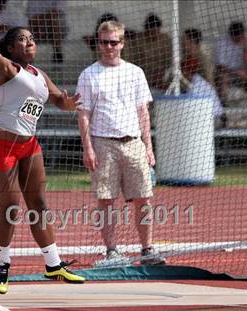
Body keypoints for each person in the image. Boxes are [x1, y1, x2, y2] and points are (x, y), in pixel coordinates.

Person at [0, 19, 85, 294]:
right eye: (22, 39)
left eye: (31, 38)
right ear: (10, 48)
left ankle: (53, 265)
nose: (29, 42)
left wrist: (67, 103)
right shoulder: (7, 69)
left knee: (38, 204)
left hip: (28, 146)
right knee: (11, 208)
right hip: (1, 146)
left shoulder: (39, 75)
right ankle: (2, 264)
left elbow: (58, 100)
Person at [76, 21, 166, 268]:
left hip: (133, 141)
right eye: (103, 42)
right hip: (103, 143)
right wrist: (88, 148)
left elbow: (143, 111)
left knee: (144, 198)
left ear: (122, 44)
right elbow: (83, 114)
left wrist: (148, 146)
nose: (108, 47)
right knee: (105, 200)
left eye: (113, 42)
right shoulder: (88, 75)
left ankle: (147, 249)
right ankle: (112, 251)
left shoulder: (135, 72)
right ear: (98, 43)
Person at [127, 13, 172, 93]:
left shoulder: (165, 39)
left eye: (157, 31)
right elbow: (132, 61)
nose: (155, 35)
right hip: (142, 76)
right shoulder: (137, 40)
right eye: (152, 32)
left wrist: (161, 73)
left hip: (161, 76)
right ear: (147, 30)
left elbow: (169, 60)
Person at [213, 21, 247, 102]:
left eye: (241, 36)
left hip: (242, 70)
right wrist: (235, 72)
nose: (239, 39)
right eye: (236, 38)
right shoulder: (222, 44)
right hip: (226, 72)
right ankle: (224, 101)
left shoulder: (245, 39)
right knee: (223, 77)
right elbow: (220, 66)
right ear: (231, 35)